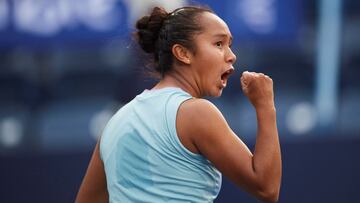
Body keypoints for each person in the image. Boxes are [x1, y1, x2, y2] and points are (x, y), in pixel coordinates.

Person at [76, 5, 281, 203]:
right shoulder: (197, 113)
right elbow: (266, 187)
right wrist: (265, 106)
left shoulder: (115, 123)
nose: (231, 55)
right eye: (218, 44)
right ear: (183, 53)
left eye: (230, 44)